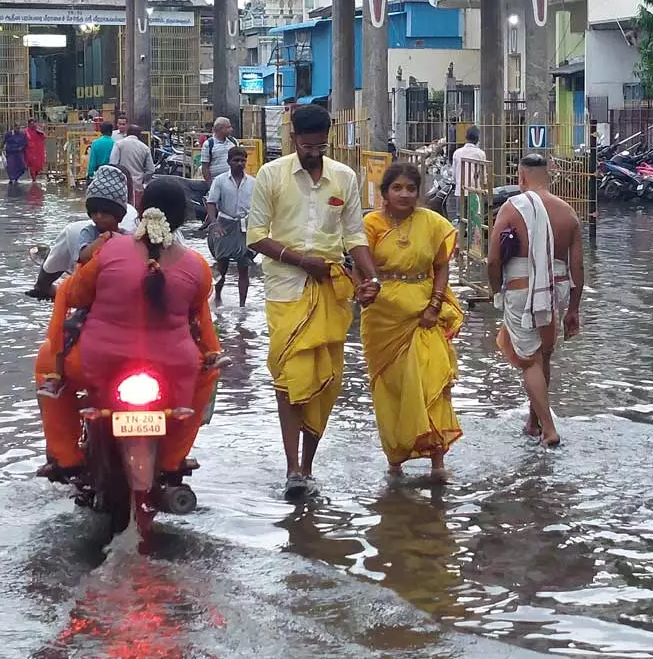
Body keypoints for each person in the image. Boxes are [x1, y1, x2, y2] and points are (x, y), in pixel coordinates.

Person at [35, 177, 222, 481]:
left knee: (48, 363)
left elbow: (76, 295)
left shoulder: (109, 250)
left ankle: (66, 458)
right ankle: (174, 459)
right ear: (182, 219)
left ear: (140, 210)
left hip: (98, 364)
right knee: (209, 370)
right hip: (174, 370)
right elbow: (198, 318)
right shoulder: (196, 265)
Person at [248, 104, 380, 500]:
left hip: (331, 292)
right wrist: (301, 260)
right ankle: (292, 469)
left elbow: (355, 236)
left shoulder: (344, 177)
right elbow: (255, 236)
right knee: (289, 379)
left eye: (320, 146)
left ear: (329, 139)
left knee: (326, 381)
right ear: (293, 140)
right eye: (307, 147)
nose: (313, 153)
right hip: (285, 289)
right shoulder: (271, 175)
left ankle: (308, 466)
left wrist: (372, 277)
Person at [361, 162, 463, 479]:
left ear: (419, 193)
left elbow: (442, 266)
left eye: (411, 188)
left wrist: (434, 306)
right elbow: (357, 263)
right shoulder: (370, 224)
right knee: (390, 389)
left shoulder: (431, 222)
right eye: (397, 188)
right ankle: (395, 459)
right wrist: (359, 290)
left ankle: (437, 462)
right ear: (385, 193)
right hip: (382, 318)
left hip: (422, 314)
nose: (404, 194)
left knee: (430, 380)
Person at [488, 154, 584, 447]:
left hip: (521, 290)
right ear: (549, 176)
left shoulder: (513, 207)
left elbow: (493, 260)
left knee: (530, 361)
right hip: (553, 292)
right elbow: (578, 268)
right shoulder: (568, 213)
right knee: (543, 357)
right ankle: (533, 421)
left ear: (521, 178)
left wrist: (496, 291)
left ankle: (549, 428)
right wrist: (573, 310)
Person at [26, 165, 138, 299]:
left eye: (105, 212)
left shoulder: (129, 236)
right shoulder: (89, 232)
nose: (99, 217)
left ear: (119, 216)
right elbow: (83, 257)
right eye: (94, 212)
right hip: (93, 294)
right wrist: (104, 239)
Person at [204, 144, 256, 306]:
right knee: (222, 265)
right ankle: (218, 296)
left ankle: (242, 305)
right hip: (224, 224)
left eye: (242, 160)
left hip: (244, 226)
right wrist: (214, 224)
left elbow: (258, 207)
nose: (239, 163)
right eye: (236, 160)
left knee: (244, 266)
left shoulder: (253, 182)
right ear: (229, 162)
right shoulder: (220, 181)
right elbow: (211, 203)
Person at [449, 126, 487, 223]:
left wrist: (455, 183)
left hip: (460, 191)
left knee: (461, 218)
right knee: (474, 219)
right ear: (478, 139)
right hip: (474, 191)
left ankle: (462, 236)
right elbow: (483, 176)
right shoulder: (480, 154)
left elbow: (453, 174)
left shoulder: (457, 153)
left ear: (466, 138)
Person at [110, 122, 156, 190]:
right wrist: (142, 179)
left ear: (127, 133)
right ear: (139, 135)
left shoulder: (118, 144)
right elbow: (151, 170)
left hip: (121, 185)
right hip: (137, 185)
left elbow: (113, 164)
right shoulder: (145, 148)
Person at [200, 116, 239, 184]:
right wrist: (210, 184)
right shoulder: (208, 144)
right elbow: (205, 167)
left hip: (233, 182)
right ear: (221, 129)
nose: (231, 129)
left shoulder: (233, 142)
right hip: (216, 183)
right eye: (228, 127)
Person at [25, 118, 48, 184]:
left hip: (39, 150)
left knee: (39, 165)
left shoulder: (38, 130)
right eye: (31, 124)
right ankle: (34, 179)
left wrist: (41, 132)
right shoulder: (26, 131)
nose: (32, 125)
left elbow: (44, 137)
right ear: (28, 124)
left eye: (33, 123)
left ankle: (35, 176)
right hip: (30, 151)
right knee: (32, 166)